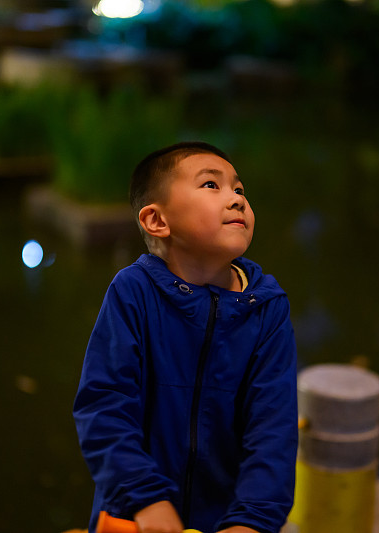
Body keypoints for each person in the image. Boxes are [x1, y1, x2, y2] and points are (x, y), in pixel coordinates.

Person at [74, 142, 298, 533]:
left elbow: (273, 432)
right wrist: (146, 500)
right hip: (135, 519)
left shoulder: (267, 308)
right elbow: (104, 406)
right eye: (211, 185)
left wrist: (252, 520)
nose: (236, 199)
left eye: (239, 189)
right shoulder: (133, 293)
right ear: (157, 220)